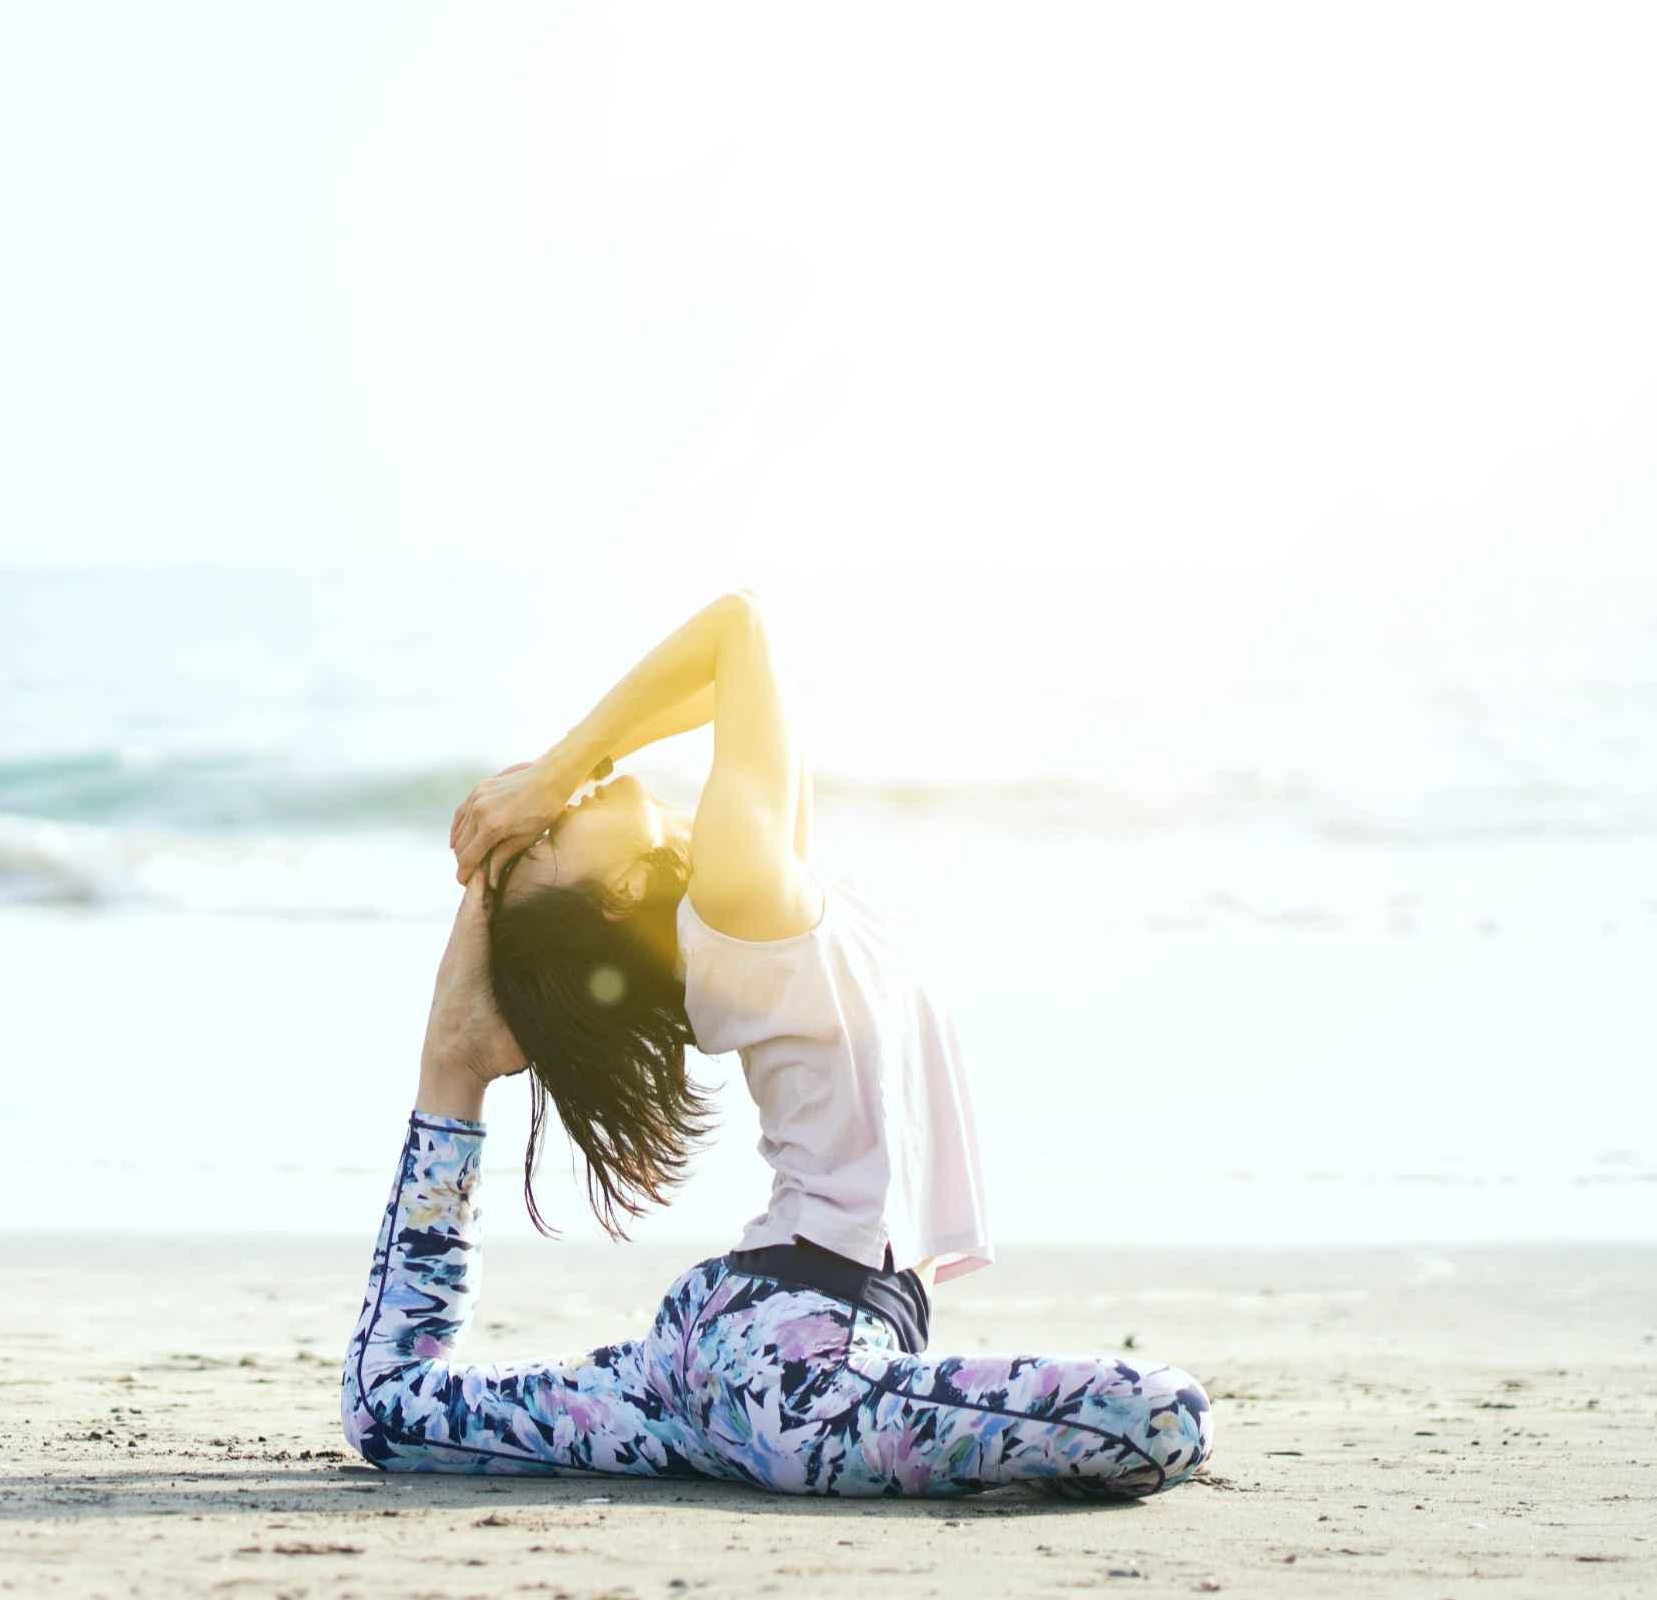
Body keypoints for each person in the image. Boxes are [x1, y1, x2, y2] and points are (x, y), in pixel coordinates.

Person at [341, 590, 1211, 1497]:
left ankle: (451, 1072)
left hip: (729, 1357)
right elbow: (737, 631)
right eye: (551, 836)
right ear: (600, 905)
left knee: (394, 1405)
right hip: (801, 1371)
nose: (557, 805)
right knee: (1162, 1417)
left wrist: (559, 783)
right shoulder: (739, 898)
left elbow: (749, 681)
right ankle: (454, 1053)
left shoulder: (751, 906)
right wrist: (553, 774)